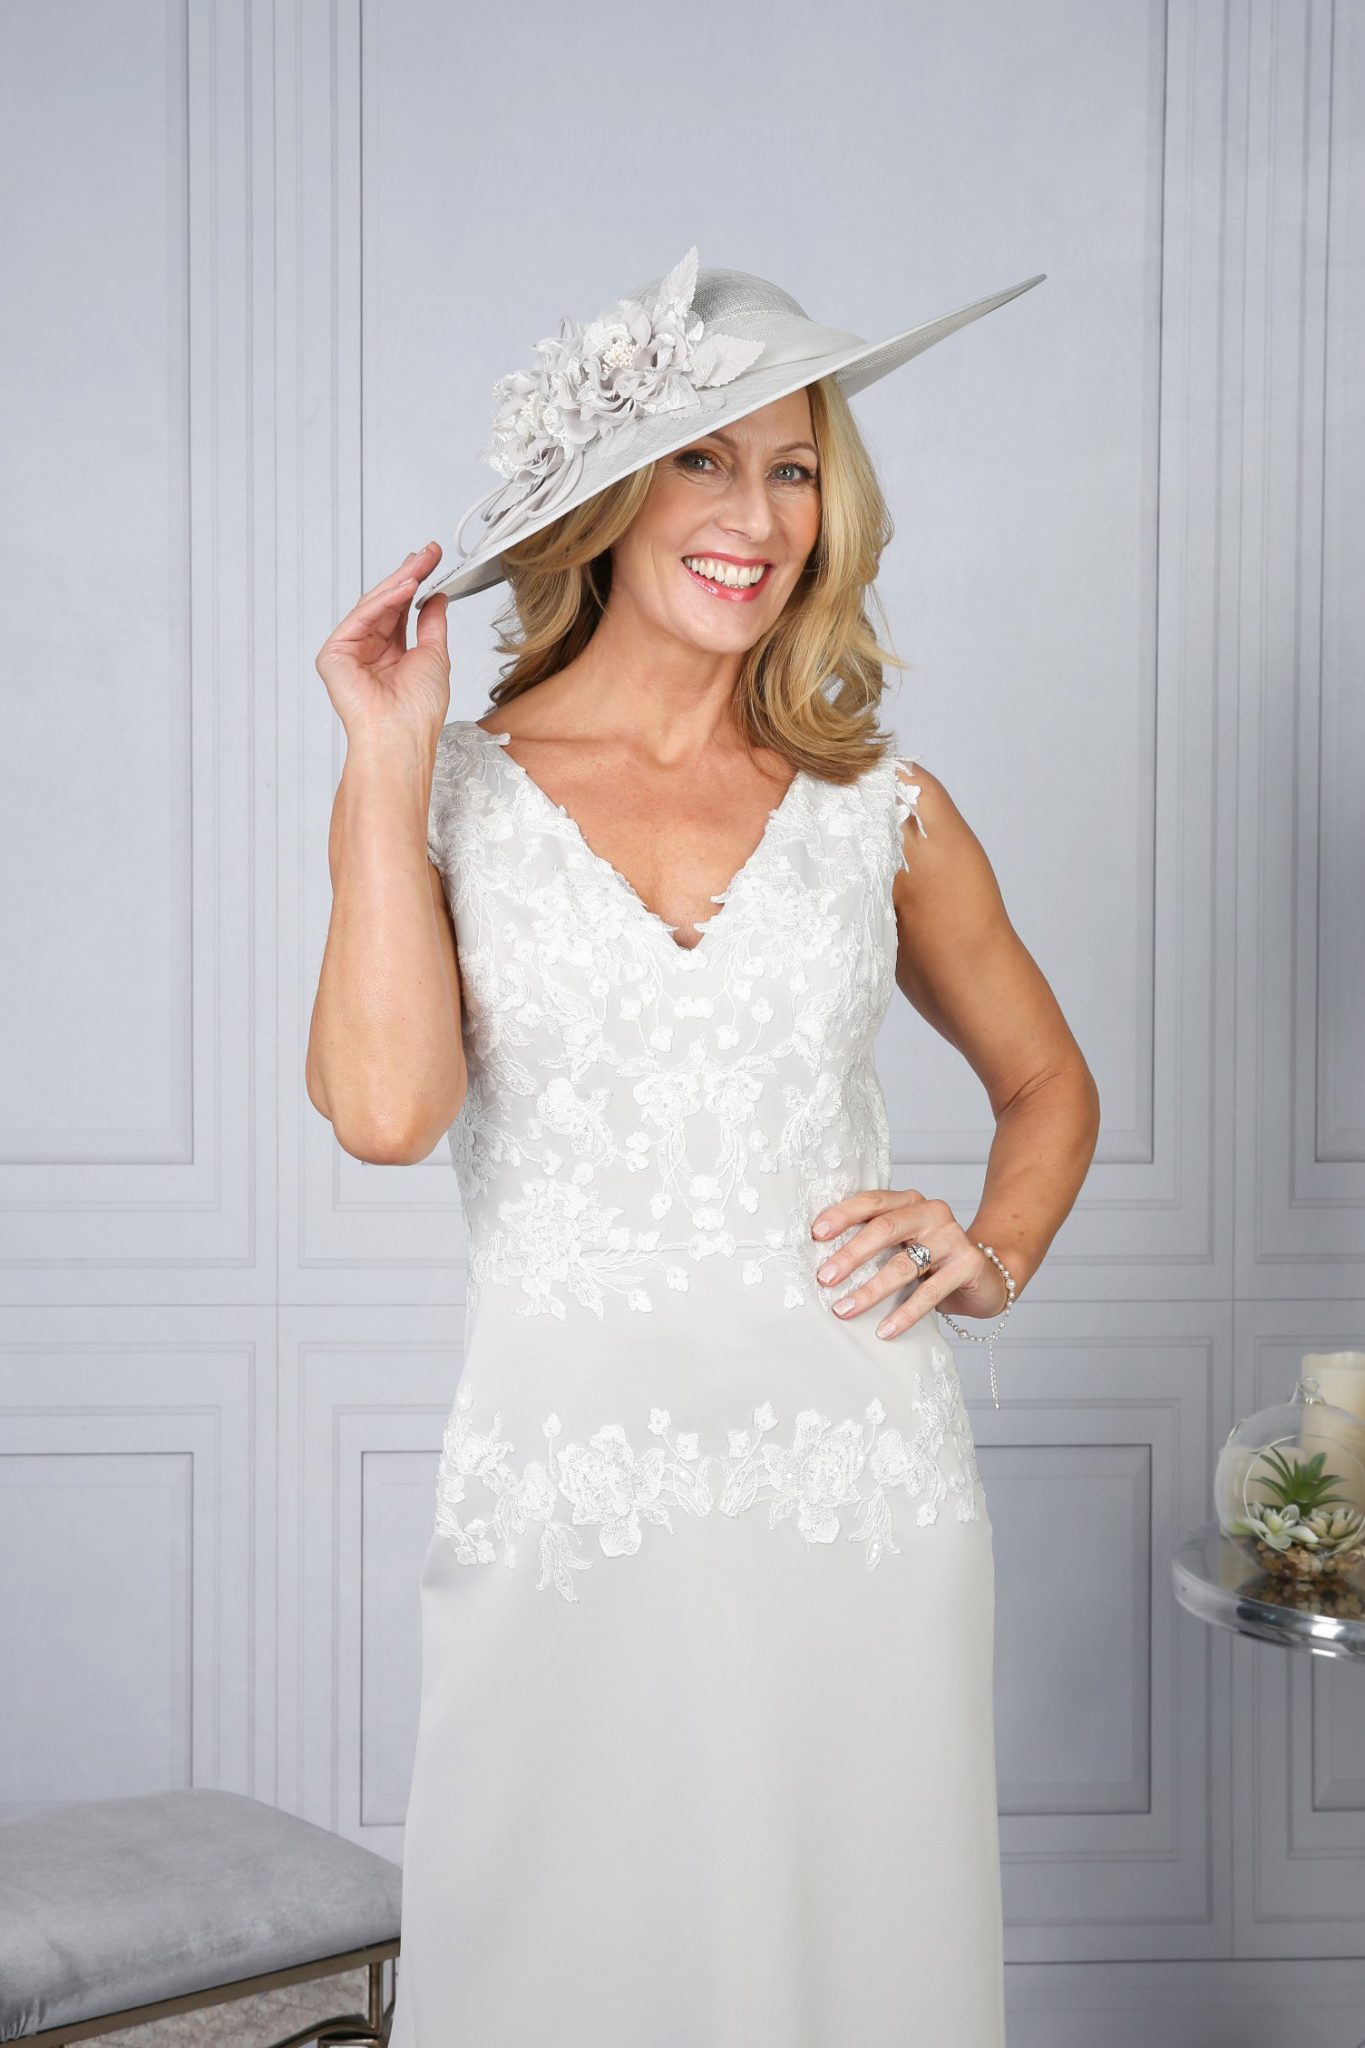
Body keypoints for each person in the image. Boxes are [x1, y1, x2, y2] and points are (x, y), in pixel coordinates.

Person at [307, 248, 1100, 2047]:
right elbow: (384, 1113)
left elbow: (1047, 1083)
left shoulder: (879, 809)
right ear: (605, 498)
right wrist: (379, 760)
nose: (757, 517)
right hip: (566, 1498)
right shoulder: (446, 794)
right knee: (565, 1963)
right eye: (704, 459)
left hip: (850, 1489)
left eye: (794, 468)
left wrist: (992, 1251)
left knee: (850, 1967)